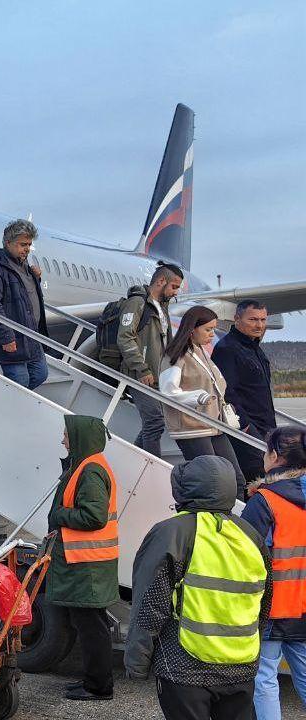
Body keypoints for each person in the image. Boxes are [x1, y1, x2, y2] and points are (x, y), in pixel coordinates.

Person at [125, 455, 272, 720]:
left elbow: (150, 602)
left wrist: (137, 661)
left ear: (185, 488)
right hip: (241, 665)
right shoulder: (250, 535)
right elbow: (264, 601)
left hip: (185, 666)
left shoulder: (172, 532)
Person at [48, 415, 119, 701]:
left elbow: (93, 516)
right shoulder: (88, 466)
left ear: (79, 438)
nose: (63, 440)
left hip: (87, 563)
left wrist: (59, 515)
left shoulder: (90, 471)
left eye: (66, 435)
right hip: (87, 561)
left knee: (92, 627)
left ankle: (98, 687)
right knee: (90, 625)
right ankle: (93, 680)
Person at [241, 427, 306, 720]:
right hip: (303, 606)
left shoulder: (265, 501)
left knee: (264, 677)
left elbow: (247, 556)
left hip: (273, 605)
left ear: (276, 456)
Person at [159, 305, 248, 498]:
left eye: (213, 329)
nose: (212, 334)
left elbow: (216, 383)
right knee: (213, 481)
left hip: (213, 425)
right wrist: (198, 397)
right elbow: (167, 390)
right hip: (193, 428)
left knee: (236, 479)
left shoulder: (200, 352)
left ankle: (239, 515)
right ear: (192, 329)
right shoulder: (176, 354)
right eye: (208, 329)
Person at [116, 261, 185, 457]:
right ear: (161, 281)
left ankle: (135, 458)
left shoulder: (161, 308)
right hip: (139, 374)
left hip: (157, 375)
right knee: (154, 421)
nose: (175, 293)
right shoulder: (137, 303)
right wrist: (142, 368)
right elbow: (125, 337)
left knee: (154, 423)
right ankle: (152, 465)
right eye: (174, 287)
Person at [0, 219, 49, 389]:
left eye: (29, 245)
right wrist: (6, 337)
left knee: (40, 374)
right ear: (8, 243)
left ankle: (10, 400)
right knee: (20, 382)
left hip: (31, 336)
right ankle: (9, 402)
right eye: (23, 244)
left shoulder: (26, 269)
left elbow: (25, 298)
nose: (27, 249)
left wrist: (36, 279)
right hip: (12, 337)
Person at [212, 300, 277, 486]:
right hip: (247, 431)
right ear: (237, 319)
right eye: (253, 319)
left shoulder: (254, 348)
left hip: (266, 428)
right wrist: (246, 426)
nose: (259, 325)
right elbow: (226, 393)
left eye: (263, 320)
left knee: (266, 480)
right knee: (254, 481)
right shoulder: (227, 349)